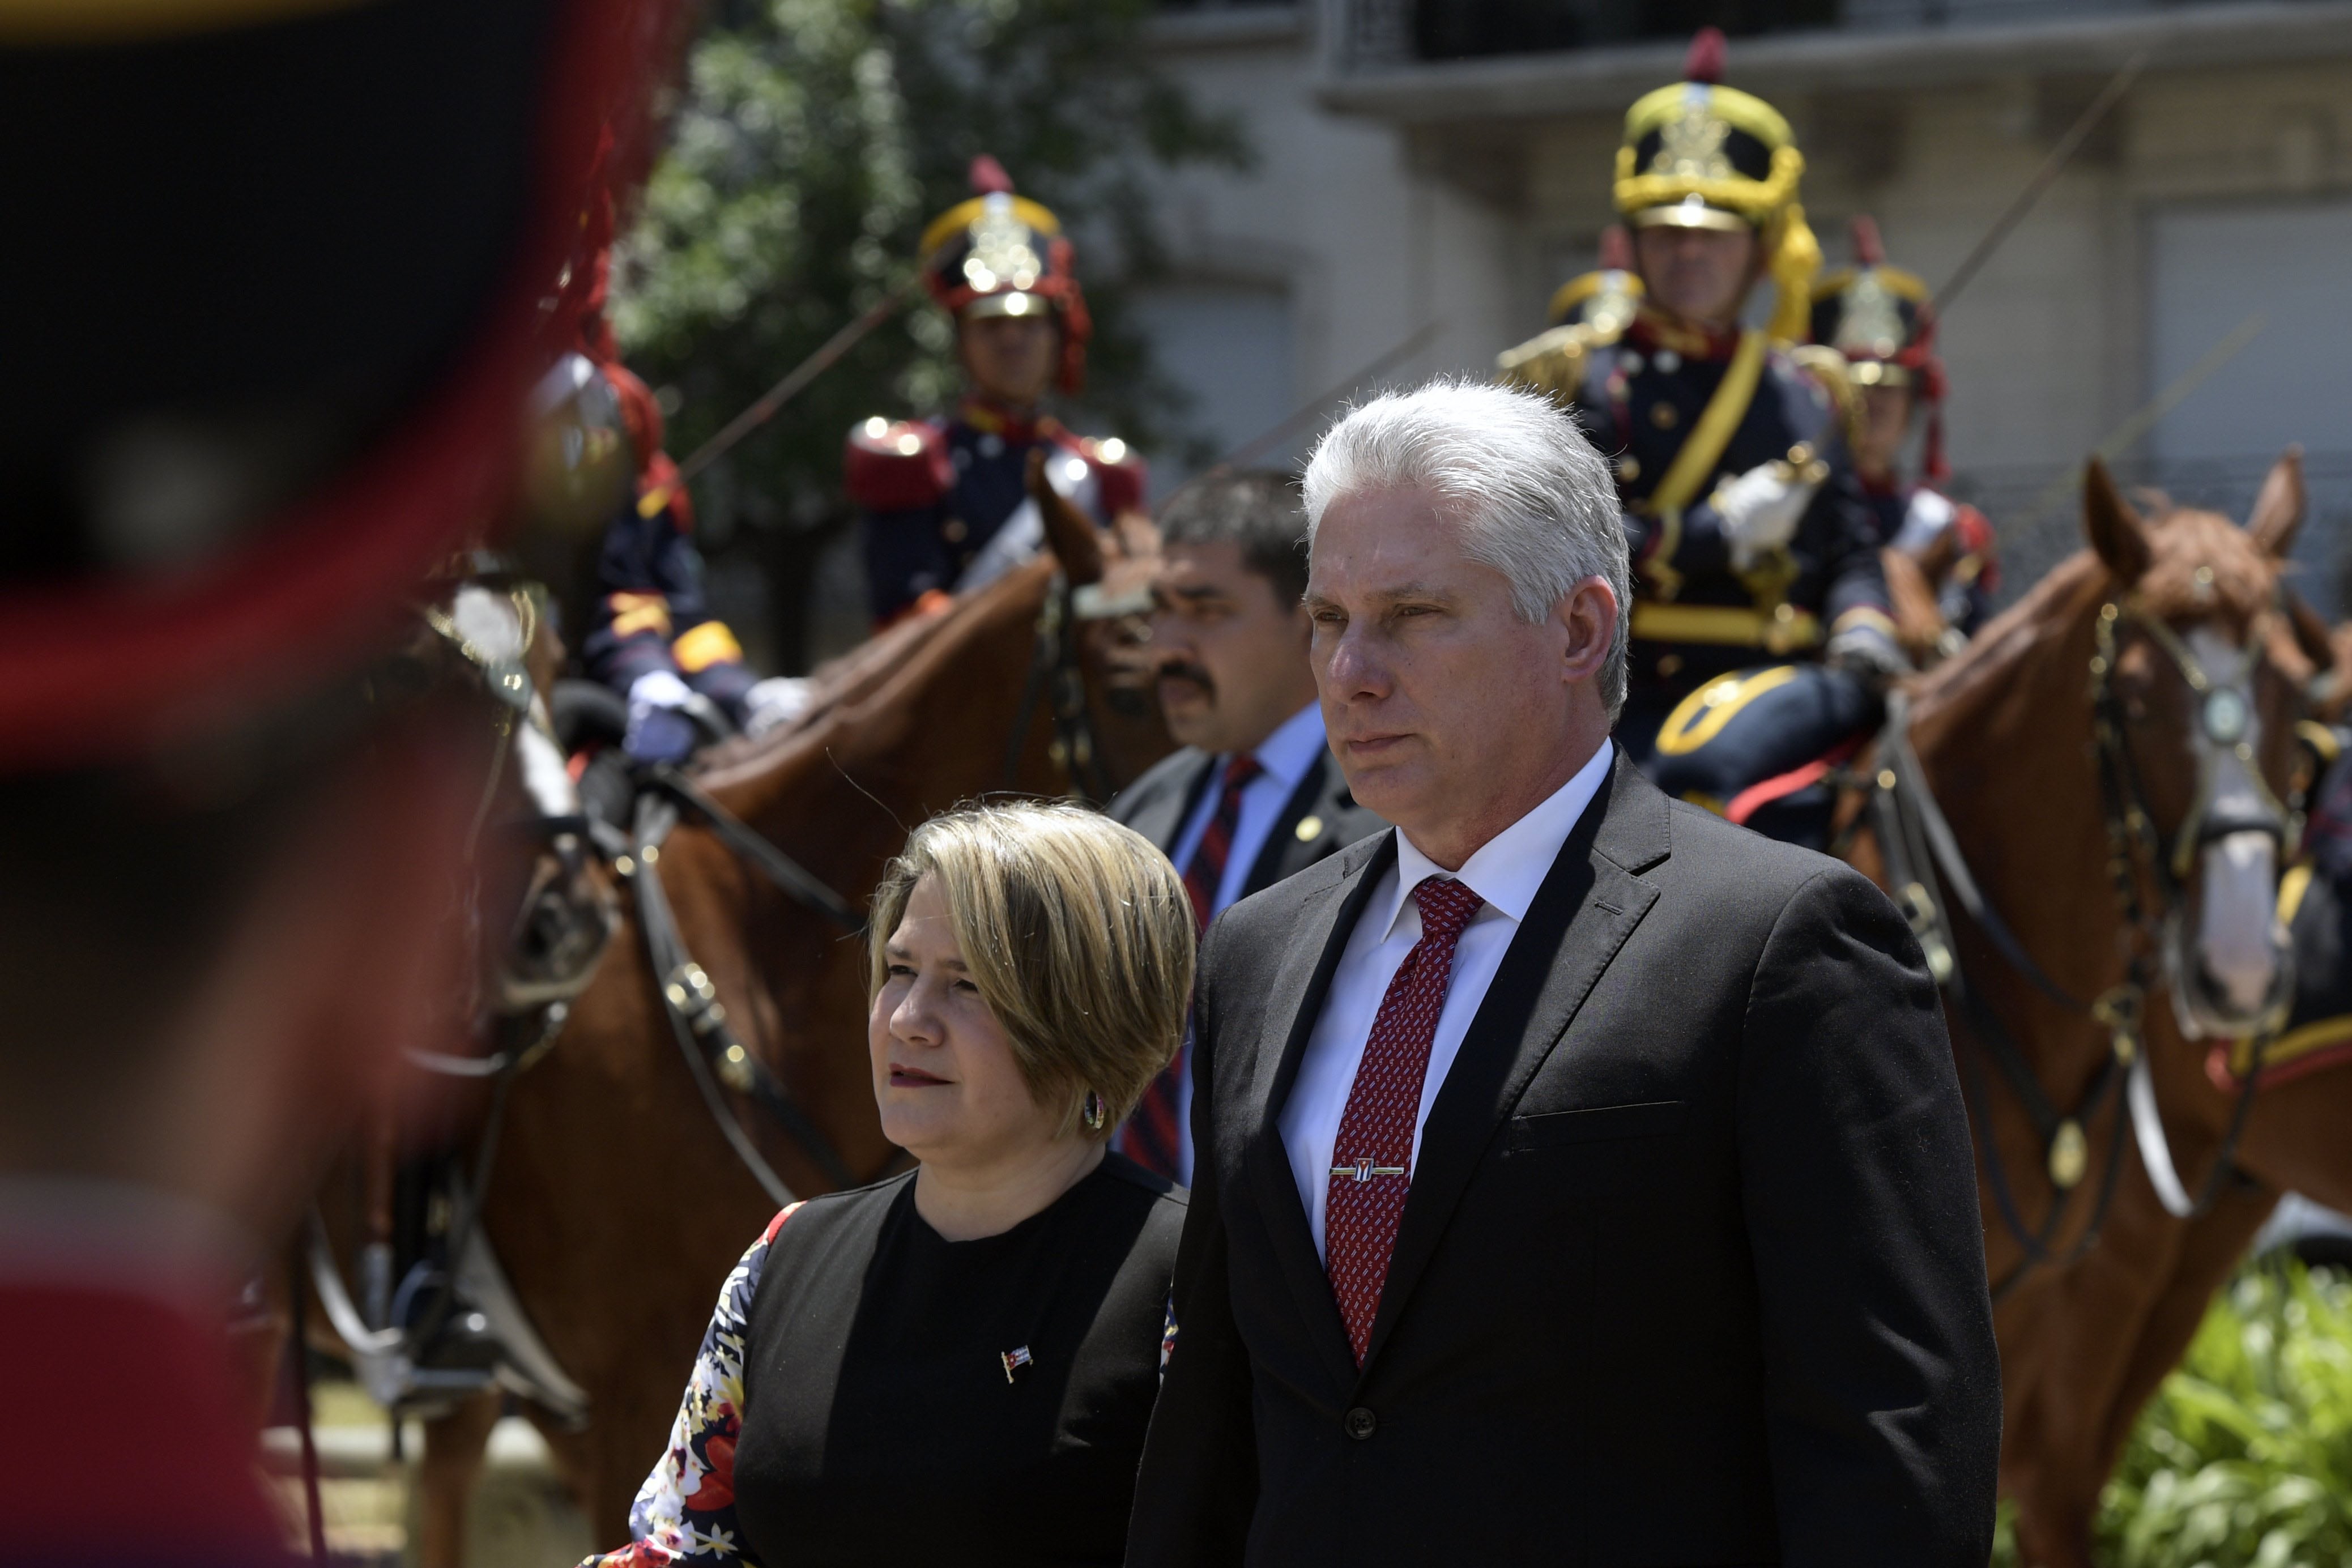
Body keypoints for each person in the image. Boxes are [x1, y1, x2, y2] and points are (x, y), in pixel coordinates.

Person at [0, 1, 680, 1562]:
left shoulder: (595, 405)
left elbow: (638, 571)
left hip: (518, 680)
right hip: (372, 682)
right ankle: (422, 1266)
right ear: (385, 920)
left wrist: (652, 664)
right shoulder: (451, 366)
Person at [1127, 379, 2000, 1567]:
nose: (1351, 671)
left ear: (1580, 630)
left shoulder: (1781, 944)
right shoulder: (1255, 949)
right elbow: (1216, 1419)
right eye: (1329, 618)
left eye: (1414, 614)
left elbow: (1891, 1437)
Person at [589, 802, 1195, 1568]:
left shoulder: (1192, 1280)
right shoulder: (787, 1255)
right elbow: (679, 1549)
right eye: (901, 970)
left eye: (968, 985)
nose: (908, 1018)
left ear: (1095, 1018)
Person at [1497, 28, 1900, 850]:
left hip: (1799, 683)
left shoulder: (1807, 391)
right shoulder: (1581, 380)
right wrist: (1717, 532)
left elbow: (1853, 550)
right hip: (1641, 690)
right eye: (1665, 231)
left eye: (1714, 233)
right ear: (1634, 242)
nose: (1689, 251)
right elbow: (1557, 549)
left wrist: (1864, 623)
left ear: (1759, 247)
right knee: (1699, 774)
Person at [1106, 471, 1387, 1183]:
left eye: (1206, 611)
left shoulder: (1388, 816)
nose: (1165, 647)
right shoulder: (1140, 811)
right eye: (1159, 610)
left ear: (1310, 619)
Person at [846, 156, 1145, 628]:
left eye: (1029, 324)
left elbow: (1126, 609)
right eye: (990, 325)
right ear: (960, 343)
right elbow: (904, 618)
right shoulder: (918, 462)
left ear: (1058, 337)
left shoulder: (1101, 475)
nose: (1012, 340)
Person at [1813, 215, 2001, 646]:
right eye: (1855, 388)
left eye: (1889, 388)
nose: (1872, 403)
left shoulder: (1951, 529)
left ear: (1915, 403)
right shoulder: (1796, 514)